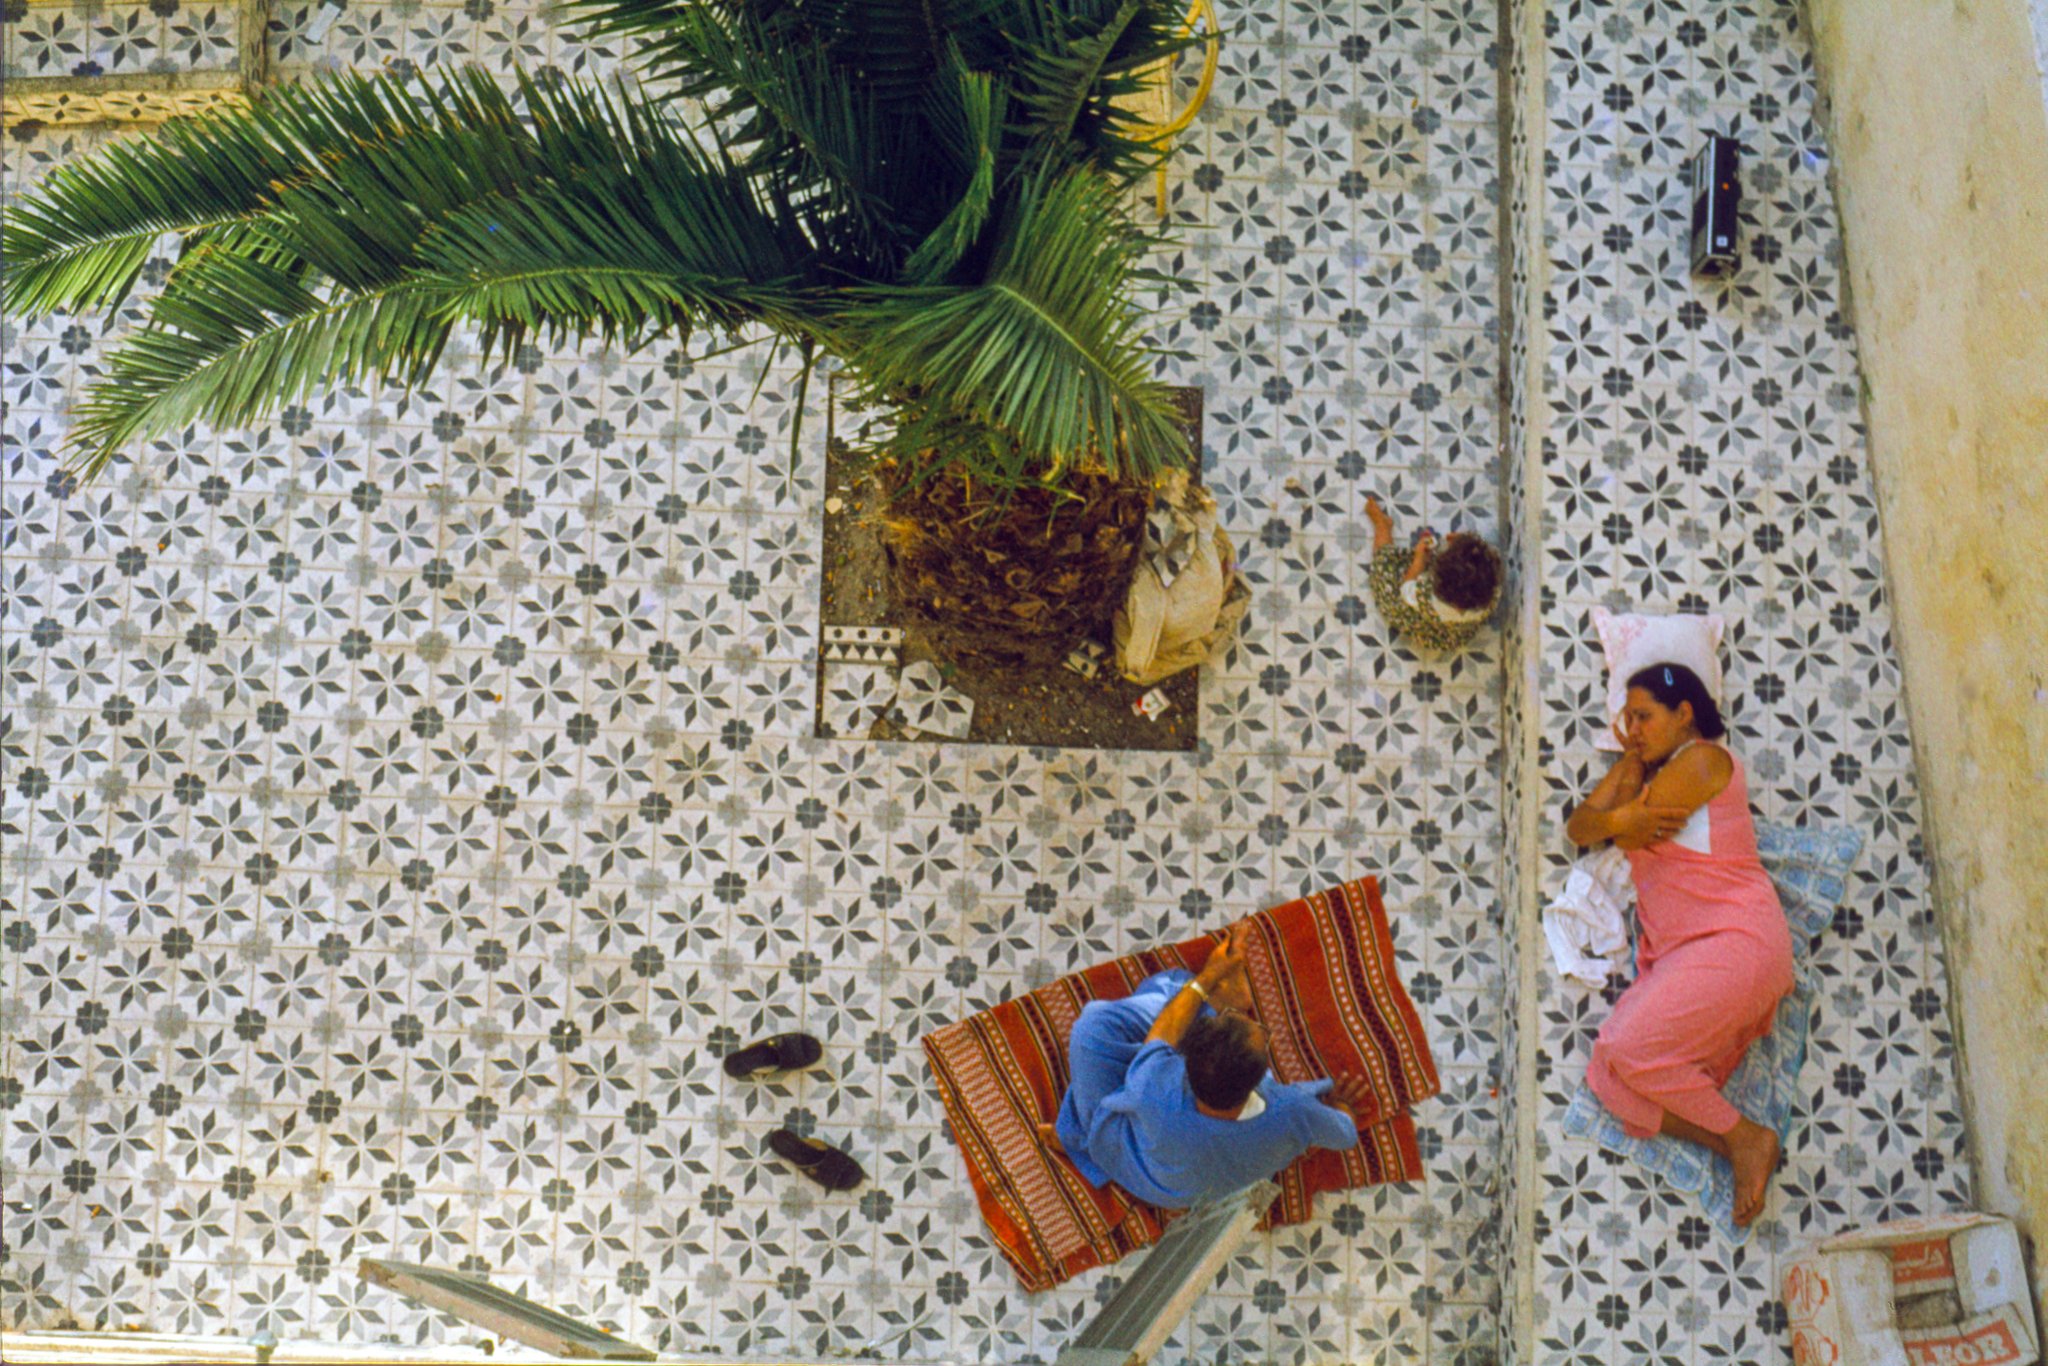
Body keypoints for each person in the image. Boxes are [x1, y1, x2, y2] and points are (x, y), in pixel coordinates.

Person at [1564, 662, 1794, 1226]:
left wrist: (1619, 806)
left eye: (1643, 716)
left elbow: (1617, 829)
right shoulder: (1647, 772)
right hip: (1692, 956)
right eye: (1627, 719)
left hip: (1735, 940)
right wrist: (1630, 760)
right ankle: (1738, 1141)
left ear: (1684, 713)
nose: (1633, 727)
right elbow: (1577, 829)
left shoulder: (1706, 760)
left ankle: (1743, 1136)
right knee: (1608, 1075)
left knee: (1627, 1046)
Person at [1036, 924, 1374, 1209]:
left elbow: (1162, 1034)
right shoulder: (1293, 1112)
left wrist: (1209, 977)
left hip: (1131, 1161)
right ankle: (1216, 1003)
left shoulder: (1155, 1091)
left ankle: (1077, 1136)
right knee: (1164, 1000)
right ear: (1256, 1082)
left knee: (1099, 1021)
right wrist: (1341, 1106)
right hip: (1181, 1191)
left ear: (1184, 1064)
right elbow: (1345, 1134)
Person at [1364, 495, 1502, 652]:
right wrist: (1464, 545)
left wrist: (1419, 560)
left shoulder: (1425, 596)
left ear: (1436, 581)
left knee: (1384, 573)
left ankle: (1382, 525)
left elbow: (1406, 588)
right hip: (1454, 636)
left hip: (1427, 628)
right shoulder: (1492, 592)